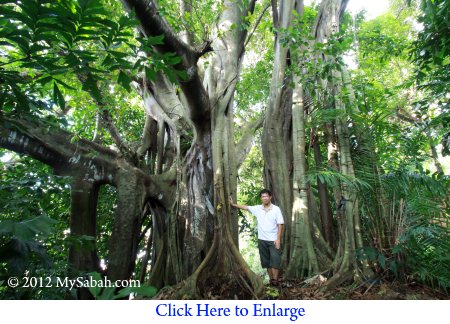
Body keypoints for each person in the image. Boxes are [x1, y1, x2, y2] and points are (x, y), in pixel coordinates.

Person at [229, 189, 284, 286]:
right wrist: (233, 204)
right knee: (266, 262)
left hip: (273, 240)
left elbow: (280, 224)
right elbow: (246, 207)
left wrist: (278, 239)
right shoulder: (258, 208)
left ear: (270, 197)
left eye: (267, 196)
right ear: (261, 198)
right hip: (262, 240)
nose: (265, 198)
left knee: (275, 261)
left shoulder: (276, 209)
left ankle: (275, 281)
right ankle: (271, 281)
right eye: (263, 196)